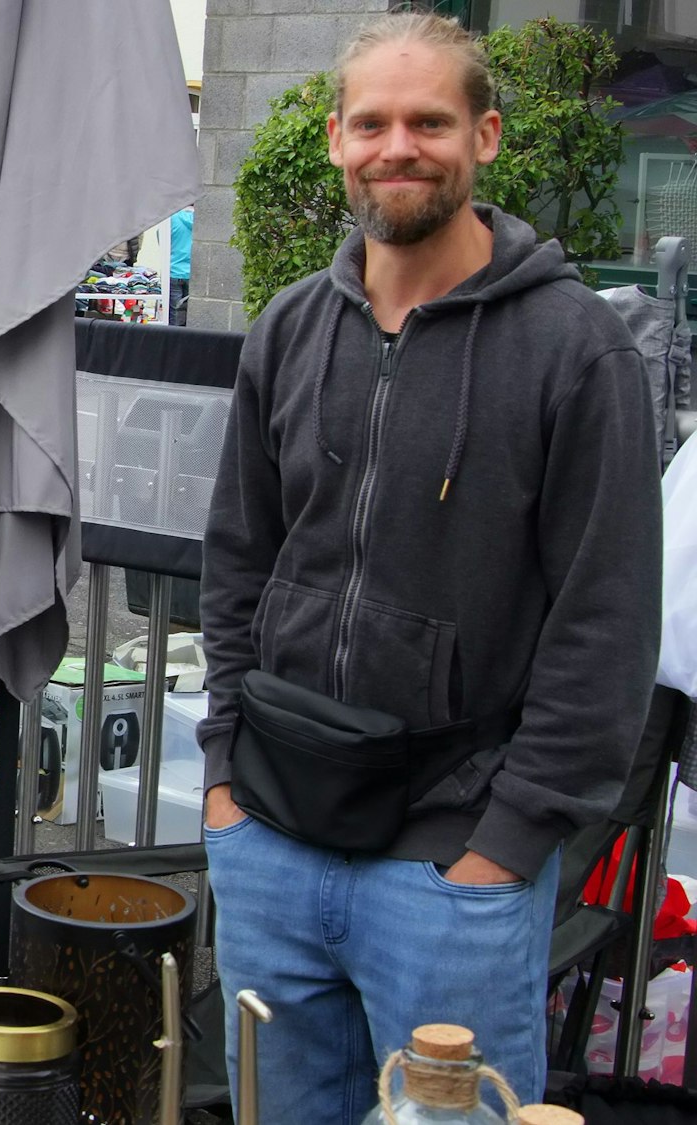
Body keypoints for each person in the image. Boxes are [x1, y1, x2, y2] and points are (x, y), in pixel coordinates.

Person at [197, 13, 662, 1119]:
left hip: (449, 861)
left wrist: (504, 845)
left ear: (484, 136)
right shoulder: (288, 329)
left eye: (428, 121)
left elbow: (605, 626)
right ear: (333, 140)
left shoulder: (571, 351)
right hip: (266, 832)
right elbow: (233, 562)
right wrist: (219, 780)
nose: (395, 145)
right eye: (371, 122)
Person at [168, 206, 191, 325]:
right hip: (192, 273)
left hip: (173, 271)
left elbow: (162, 242)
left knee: (174, 312)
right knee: (191, 313)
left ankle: (173, 340)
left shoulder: (172, 218)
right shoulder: (202, 220)